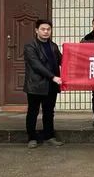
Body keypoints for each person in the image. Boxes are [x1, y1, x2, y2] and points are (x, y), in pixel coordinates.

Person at [24, 20, 64, 149]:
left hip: (51, 85)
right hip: (36, 84)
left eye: (48, 29)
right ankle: (32, 138)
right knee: (33, 112)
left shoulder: (53, 46)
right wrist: (53, 77)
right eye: (43, 29)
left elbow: (62, 60)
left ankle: (49, 136)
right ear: (36, 30)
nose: (46, 32)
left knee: (49, 112)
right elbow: (36, 65)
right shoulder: (30, 46)